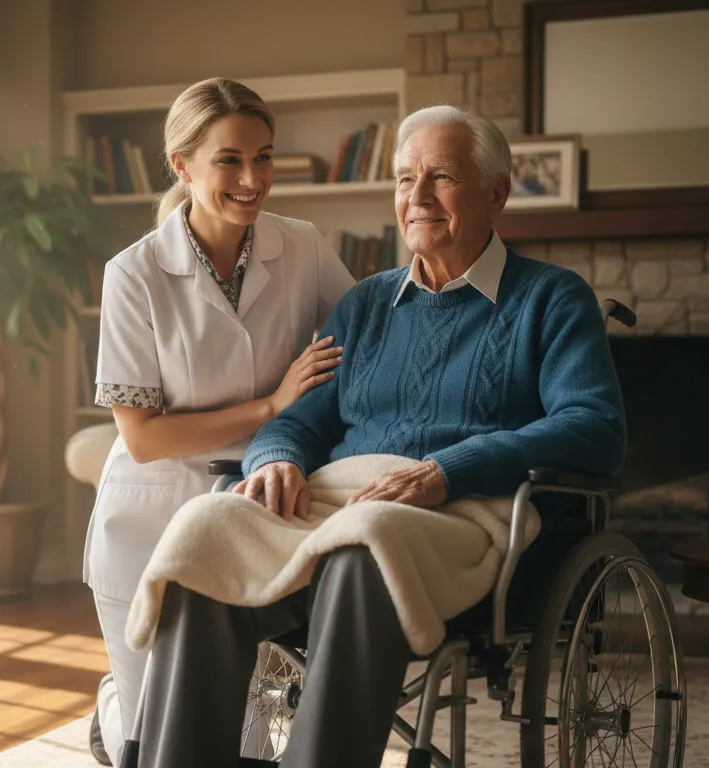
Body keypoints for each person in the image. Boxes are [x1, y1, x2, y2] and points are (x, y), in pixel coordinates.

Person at [130, 105, 627, 767]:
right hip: (343, 504)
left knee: (365, 546)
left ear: (497, 194)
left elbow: (592, 425)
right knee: (206, 526)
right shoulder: (365, 305)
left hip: (464, 512)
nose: (416, 197)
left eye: (441, 177)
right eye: (402, 180)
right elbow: (300, 420)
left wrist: (448, 468)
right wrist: (278, 457)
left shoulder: (550, 299)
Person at [83, 77, 357, 766]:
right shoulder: (134, 274)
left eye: (263, 157)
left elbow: (367, 341)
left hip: (258, 512)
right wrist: (270, 405)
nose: (252, 178)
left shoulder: (304, 246)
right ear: (182, 165)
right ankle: (116, 712)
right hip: (150, 522)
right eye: (229, 160)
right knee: (158, 743)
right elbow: (143, 438)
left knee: (245, 745)